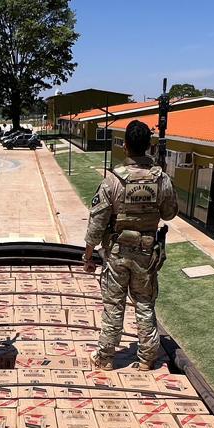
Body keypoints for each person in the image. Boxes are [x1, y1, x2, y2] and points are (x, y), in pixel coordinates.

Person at [82, 119, 178, 371]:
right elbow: (169, 214)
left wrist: (88, 256)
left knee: (114, 306)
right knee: (144, 304)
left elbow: (96, 224)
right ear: (149, 145)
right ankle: (147, 358)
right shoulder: (162, 180)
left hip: (117, 254)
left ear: (124, 145)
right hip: (146, 254)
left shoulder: (112, 181)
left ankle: (105, 357)